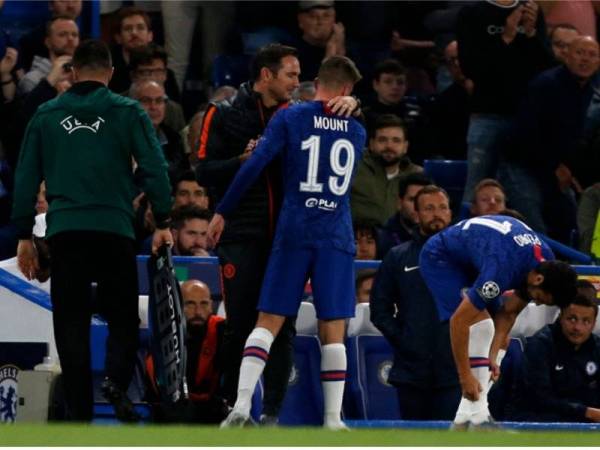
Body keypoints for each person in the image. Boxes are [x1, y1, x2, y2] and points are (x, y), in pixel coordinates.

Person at [196, 43, 359, 423]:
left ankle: (268, 413)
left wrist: (355, 104)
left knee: (276, 325)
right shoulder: (222, 114)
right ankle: (232, 406)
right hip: (250, 233)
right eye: (290, 74)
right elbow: (203, 171)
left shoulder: (294, 115)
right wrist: (237, 171)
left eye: (301, 76)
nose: (296, 82)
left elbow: (328, 108)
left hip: (287, 233)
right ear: (266, 75)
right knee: (240, 323)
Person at [11, 39, 173, 422]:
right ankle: (116, 379)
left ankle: (79, 413)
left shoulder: (47, 115)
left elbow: (25, 178)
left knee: (70, 321)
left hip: (66, 232)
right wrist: (164, 221)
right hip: (114, 228)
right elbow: (155, 167)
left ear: (72, 71)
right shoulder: (128, 110)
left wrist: (23, 235)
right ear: (111, 73)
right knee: (122, 316)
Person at [419, 214, 578, 428]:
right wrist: (464, 375)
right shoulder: (502, 268)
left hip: (477, 259)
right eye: (540, 298)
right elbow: (459, 322)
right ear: (538, 280)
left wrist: (493, 356)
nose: (537, 304)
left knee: (490, 334)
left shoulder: (543, 264)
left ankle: (469, 419)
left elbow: (509, 314)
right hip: (442, 259)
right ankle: (476, 418)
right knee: (481, 326)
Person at [371, 185, 460, 420]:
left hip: (456, 370)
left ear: (451, 213)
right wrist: (405, 341)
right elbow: (379, 310)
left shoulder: (467, 257)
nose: (437, 214)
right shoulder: (398, 256)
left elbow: (487, 306)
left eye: (442, 207)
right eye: (429, 208)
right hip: (411, 371)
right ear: (417, 215)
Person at [500, 35, 600, 242]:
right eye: (580, 53)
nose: (585, 59)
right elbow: (527, 134)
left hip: (554, 169)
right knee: (534, 228)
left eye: (592, 55)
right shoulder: (546, 85)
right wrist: (556, 166)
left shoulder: (591, 90)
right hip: (522, 165)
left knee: (570, 222)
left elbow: (579, 140)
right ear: (566, 55)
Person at [457, 0, 553, 203]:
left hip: (525, 120)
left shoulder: (533, 12)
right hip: (486, 113)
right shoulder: (472, 13)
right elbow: (471, 67)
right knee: (475, 190)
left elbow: (545, 69)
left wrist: (530, 34)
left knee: (524, 196)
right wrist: (506, 37)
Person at [145, 280, 228, 423]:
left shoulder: (221, 330)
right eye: (190, 304)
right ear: (178, 306)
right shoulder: (166, 335)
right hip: (172, 411)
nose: (198, 312)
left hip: (212, 411)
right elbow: (156, 382)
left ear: (211, 306)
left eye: (204, 304)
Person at [511, 294, 600, 422]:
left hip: (583, 419)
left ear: (593, 324)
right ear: (560, 317)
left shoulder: (597, 348)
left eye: (586, 321)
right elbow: (539, 399)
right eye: (572, 319)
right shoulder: (541, 344)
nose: (577, 328)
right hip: (537, 419)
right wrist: (587, 412)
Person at [350, 114, 422, 227]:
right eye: (382, 140)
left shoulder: (417, 176)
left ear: (405, 146)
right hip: (360, 239)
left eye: (396, 140)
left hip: (400, 240)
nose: (389, 146)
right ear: (371, 144)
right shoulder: (353, 166)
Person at [130, 80, 189, 185]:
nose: (154, 107)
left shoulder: (173, 138)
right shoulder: (118, 138)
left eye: (159, 100)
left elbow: (181, 176)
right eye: (146, 101)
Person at [18, 15, 79, 95]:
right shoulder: (32, 79)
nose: (70, 38)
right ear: (48, 42)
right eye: (62, 34)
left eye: (74, 35)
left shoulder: (85, 76)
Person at [377, 172, 431, 256]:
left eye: (423, 200)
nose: (417, 206)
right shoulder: (382, 240)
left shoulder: (441, 239)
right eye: (412, 200)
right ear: (399, 203)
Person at [294, 1, 346, 83]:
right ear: (300, 21)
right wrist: (329, 58)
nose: (320, 21)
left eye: (326, 16)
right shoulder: (292, 55)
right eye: (313, 16)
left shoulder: (352, 50)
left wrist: (341, 53)